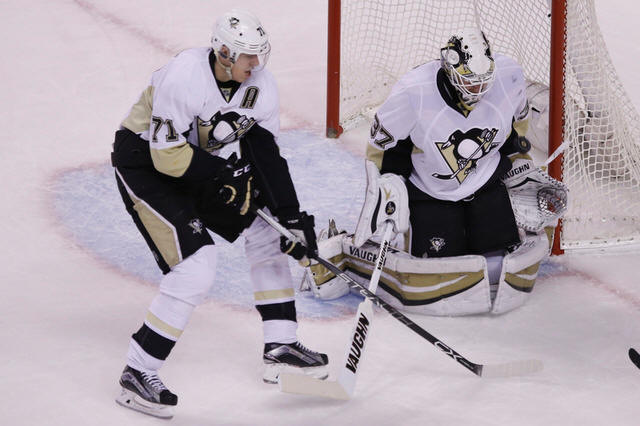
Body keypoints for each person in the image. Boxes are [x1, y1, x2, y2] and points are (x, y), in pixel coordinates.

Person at [111, 9, 327, 419]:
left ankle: (281, 345)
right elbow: (166, 156)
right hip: (145, 162)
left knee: (268, 230)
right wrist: (221, 174)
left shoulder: (261, 85)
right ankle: (137, 371)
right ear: (224, 53)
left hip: (197, 162)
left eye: (260, 54)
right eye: (248, 55)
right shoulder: (184, 76)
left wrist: (291, 217)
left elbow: (265, 153)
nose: (256, 63)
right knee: (196, 266)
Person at [307, 27, 555, 315]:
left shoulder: (509, 75)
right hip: (430, 191)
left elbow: (517, 128)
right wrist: (387, 184)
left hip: (486, 182)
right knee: (438, 267)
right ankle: (351, 251)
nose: (478, 90)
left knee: (498, 258)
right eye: (469, 82)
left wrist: (519, 163)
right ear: (450, 70)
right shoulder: (414, 92)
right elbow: (382, 146)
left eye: (484, 82)